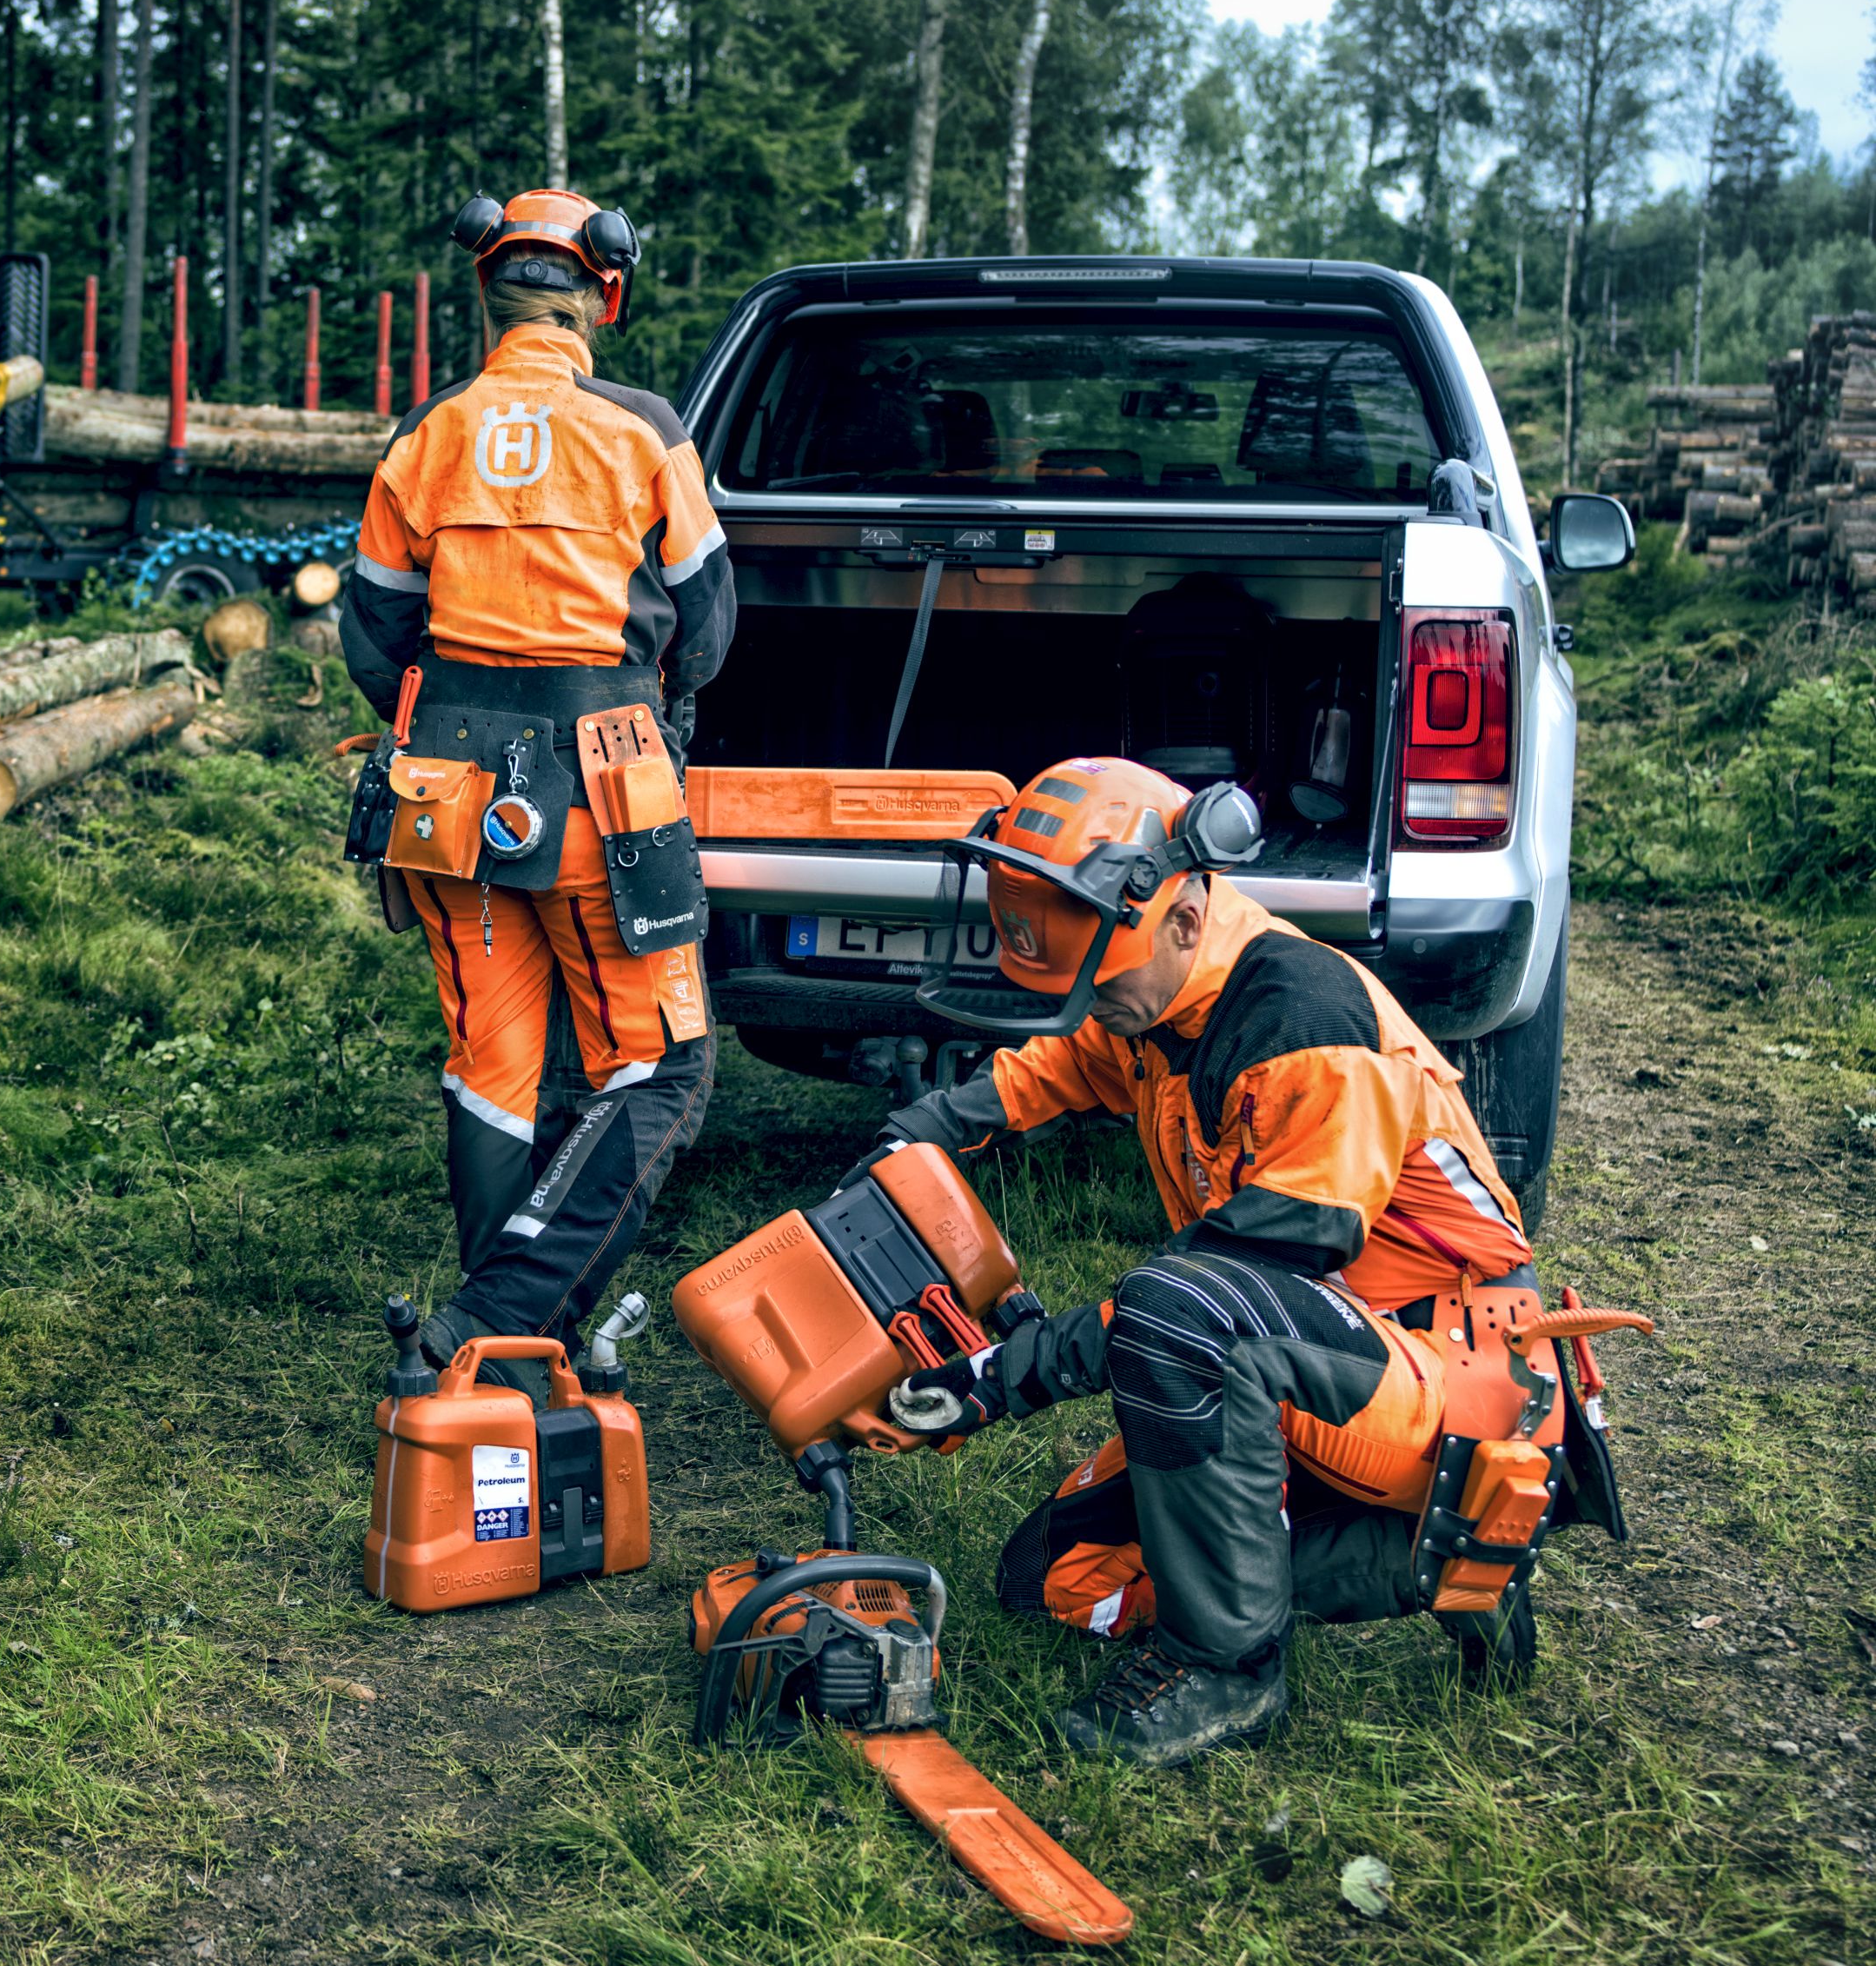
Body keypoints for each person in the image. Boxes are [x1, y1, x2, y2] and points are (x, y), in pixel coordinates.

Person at [875, 756, 1534, 1768]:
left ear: (1182, 915)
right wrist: (921, 1135)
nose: (1093, 1005)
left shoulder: (1305, 1026)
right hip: (1301, 1361)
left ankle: (1230, 1663)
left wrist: (1003, 1376)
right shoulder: (1162, 1007)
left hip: (1443, 1380)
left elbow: (1259, 1270)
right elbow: (1064, 1065)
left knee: (1177, 1311)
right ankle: (1421, 1559)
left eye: (1103, 981)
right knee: (1057, 1579)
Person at [342, 189, 737, 1383]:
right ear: (602, 294)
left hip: (447, 795)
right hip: (609, 794)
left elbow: (374, 629)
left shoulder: (427, 431)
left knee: (490, 1062)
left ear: (488, 291)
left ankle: (492, 1340)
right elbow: (709, 627)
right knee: (659, 1063)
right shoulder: (644, 428)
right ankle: (505, 1323)